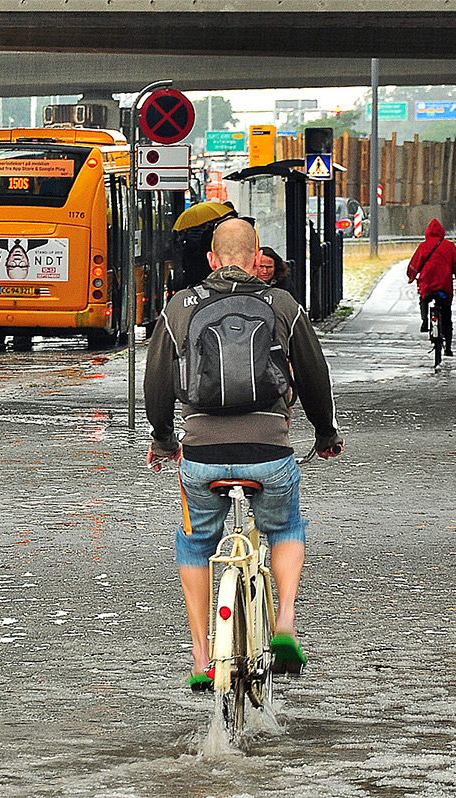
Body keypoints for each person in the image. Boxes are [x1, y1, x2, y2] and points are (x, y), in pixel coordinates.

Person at [144, 217, 343, 691]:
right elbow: (315, 375)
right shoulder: (280, 303)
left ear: (211, 259)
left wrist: (164, 438)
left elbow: (156, 381)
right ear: (258, 260)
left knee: (194, 542)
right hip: (269, 450)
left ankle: (199, 655)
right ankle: (286, 626)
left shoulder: (180, 308)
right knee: (286, 526)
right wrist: (324, 432)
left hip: (202, 455)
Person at [407, 219, 456, 356]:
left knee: (423, 298)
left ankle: (425, 321)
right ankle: (448, 348)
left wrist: (411, 276)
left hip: (427, 286)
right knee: (446, 314)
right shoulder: (449, 246)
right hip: (444, 287)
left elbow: (413, 266)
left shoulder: (423, 247)